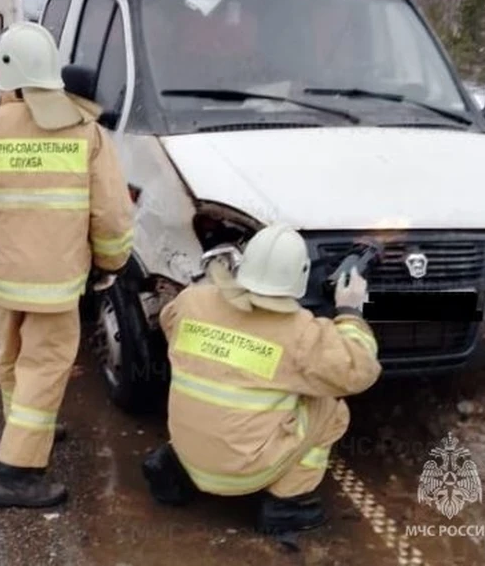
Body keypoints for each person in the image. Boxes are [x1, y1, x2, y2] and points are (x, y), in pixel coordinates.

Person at [0, 22, 134, 509]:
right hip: (55, 285)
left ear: (5, 74)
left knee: (13, 359)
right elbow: (111, 212)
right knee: (45, 368)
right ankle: (18, 475)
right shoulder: (83, 133)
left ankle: (28, 426)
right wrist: (111, 263)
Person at [143, 223, 381, 535]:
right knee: (331, 408)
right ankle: (288, 505)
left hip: (189, 457)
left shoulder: (192, 302)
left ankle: (177, 471)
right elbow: (358, 370)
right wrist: (350, 310)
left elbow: (168, 321)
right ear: (300, 275)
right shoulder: (300, 333)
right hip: (245, 475)